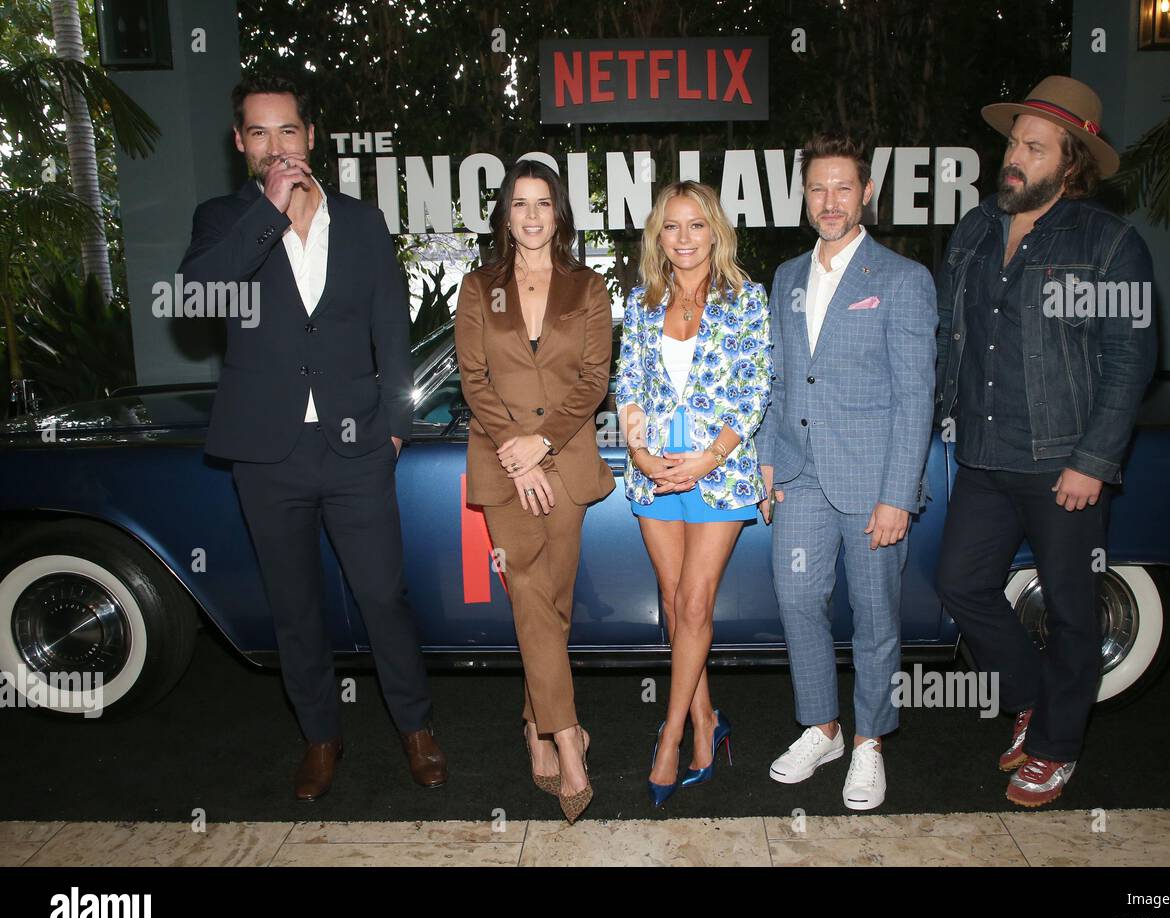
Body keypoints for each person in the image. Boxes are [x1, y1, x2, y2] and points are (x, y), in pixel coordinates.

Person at [180, 74, 444, 800]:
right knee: (294, 605)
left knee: (384, 596)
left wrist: (394, 428)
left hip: (358, 445)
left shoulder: (361, 222)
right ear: (240, 144)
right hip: (267, 454)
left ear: (310, 137)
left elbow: (392, 330)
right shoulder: (221, 220)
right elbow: (198, 296)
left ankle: (416, 728)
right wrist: (266, 216)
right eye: (258, 134)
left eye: (287, 131)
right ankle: (321, 737)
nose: (275, 147)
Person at [933, 76, 1156, 808]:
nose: (1015, 157)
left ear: (1073, 161)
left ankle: (1056, 746)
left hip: (1063, 460)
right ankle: (1031, 697)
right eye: (1013, 142)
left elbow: (1129, 360)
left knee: (1070, 608)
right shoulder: (974, 228)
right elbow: (949, 336)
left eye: (1034, 146)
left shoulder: (1107, 242)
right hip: (983, 457)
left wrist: (1093, 459)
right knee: (960, 583)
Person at [756, 133, 937, 812]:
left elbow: (916, 394)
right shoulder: (787, 279)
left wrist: (898, 495)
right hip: (799, 475)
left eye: (842, 188)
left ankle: (869, 742)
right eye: (817, 189)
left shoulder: (901, 279)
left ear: (866, 193)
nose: (829, 202)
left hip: (871, 484)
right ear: (804, 197)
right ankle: (822, 726)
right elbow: (778, 377)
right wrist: (767, 460)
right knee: (798, 598)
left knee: (875, 617)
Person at [454, 159, 615, 824]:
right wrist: (516, 455)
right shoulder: (478, 287)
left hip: (567, 460)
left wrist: (542, 443)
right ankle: (568, 742)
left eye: (541, 202)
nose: (529, 214)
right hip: (501, 465)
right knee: (526, 586)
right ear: (505, 214)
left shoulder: (588, 286)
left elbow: (593, 378)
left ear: (559, 213)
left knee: (553, 605)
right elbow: (473, 378)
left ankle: (534, 724)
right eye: (518, 203)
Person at [614, 181, 771, 808]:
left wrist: (706, 459)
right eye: (671, 227)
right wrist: (642, 452)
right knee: (675, 609)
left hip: (721, 472)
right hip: (653, 474)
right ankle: (708, 720)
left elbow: (755, 389)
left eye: (695, 226)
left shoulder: (746, 300)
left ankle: (671, 739)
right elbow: (627, 383)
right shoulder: (643, 301)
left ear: (715, 232)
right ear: (659, 236)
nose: (683, 239)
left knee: (697, 605)